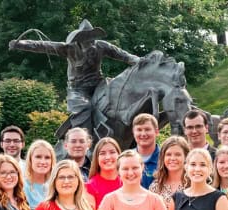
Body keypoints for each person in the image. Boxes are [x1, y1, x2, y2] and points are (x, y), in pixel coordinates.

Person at [10, 19, 139, 134]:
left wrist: (140, 61)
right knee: (84, 108)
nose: (91, 42)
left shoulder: (102, 46)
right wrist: (21, 44)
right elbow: (43, 46)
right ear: (80, 39)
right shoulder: (68, 48)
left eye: (92, 38)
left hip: (98, 84)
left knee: (118, 92)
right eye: (87, 39)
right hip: (78, 89)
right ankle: (86, 139)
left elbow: (123, 55)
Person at [86, 137, 122, 208]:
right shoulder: (89, 187)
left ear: (119, 155)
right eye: (102, 153)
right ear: (97, 158)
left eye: (112, 152)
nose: (108, 157)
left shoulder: (128, 183)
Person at [24, 140, 57, 210]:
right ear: (30, 159)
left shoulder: (56, 185)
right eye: (38, 157)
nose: (42, 162)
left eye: (47, 157)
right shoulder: (22, 186)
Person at [131, 114, 160, 188]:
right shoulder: (125, 159)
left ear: (156, 132)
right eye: (139, 130)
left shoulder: (165, 158)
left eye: (147, 129)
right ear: (133, 133)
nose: (143, 134)